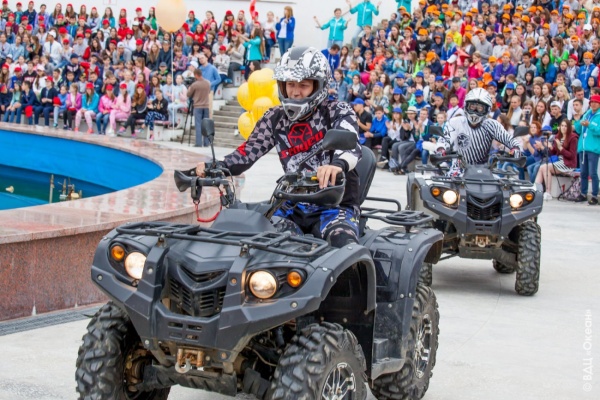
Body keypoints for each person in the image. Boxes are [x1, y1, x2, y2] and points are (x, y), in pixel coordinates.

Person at [195, 47, 361, 248]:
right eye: (290, 84)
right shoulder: (275, 117)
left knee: (344, 245)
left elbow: (351, 145)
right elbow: (248, 152)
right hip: (292, 204)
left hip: (335, 206)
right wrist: (215, 166)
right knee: (260, 244)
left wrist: (337, 165)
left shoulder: (337, 110)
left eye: (303, 85)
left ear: (319, 85)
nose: (295, 91)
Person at [436, 88, 522, 176]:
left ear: (487, 109)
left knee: (501, 182)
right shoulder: (455, 122)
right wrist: (441, 149)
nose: (475, 111)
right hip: (458, 170)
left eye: (480, 108)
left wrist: (515, 148)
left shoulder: (492, 124)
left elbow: (509, 139)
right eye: (472, 107)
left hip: (485, 170)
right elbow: (444, 139)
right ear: (466, 105)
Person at [576, 94, 600, 205]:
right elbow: (578, 130)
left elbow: (598, 131)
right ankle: (583, 193)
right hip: (583, 147)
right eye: (591, 102)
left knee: (593, 173)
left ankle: (595, 195)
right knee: (583, 173)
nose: (593, 104)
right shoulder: (586, 114)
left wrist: (589, 125)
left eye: (596, 102)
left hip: (593, 148)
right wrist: (578, 121)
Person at [187, 68, 210, 147]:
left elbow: (188, 94)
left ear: (196, 75)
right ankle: (206, 142)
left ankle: (198, 142)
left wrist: (189, 88)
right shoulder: (207, 83)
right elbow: (208, 92)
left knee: (198, 124)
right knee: (206, 125)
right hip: (206, 105)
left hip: (198, 106)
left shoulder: (195, 85)